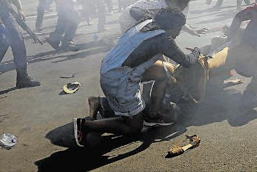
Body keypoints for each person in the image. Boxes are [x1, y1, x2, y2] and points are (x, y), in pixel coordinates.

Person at [73, 8, 201, 147]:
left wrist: (157, 13)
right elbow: (187, 62)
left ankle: (152, 115)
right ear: (170, 26)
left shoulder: (147, 20)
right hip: (119, 79)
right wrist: (197, 51)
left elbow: (135, 10)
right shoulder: (164, 39)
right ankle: (85, 126)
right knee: (134, 128)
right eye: (178, 29)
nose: (178, 33)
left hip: (110, 66)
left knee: (163, 74)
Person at [119, 0, 208, 37]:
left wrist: (192, 31)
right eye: (183, 2)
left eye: (187, 1)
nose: (185, 6)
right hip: (129, 21)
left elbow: (177, 19)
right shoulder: (157, 6)